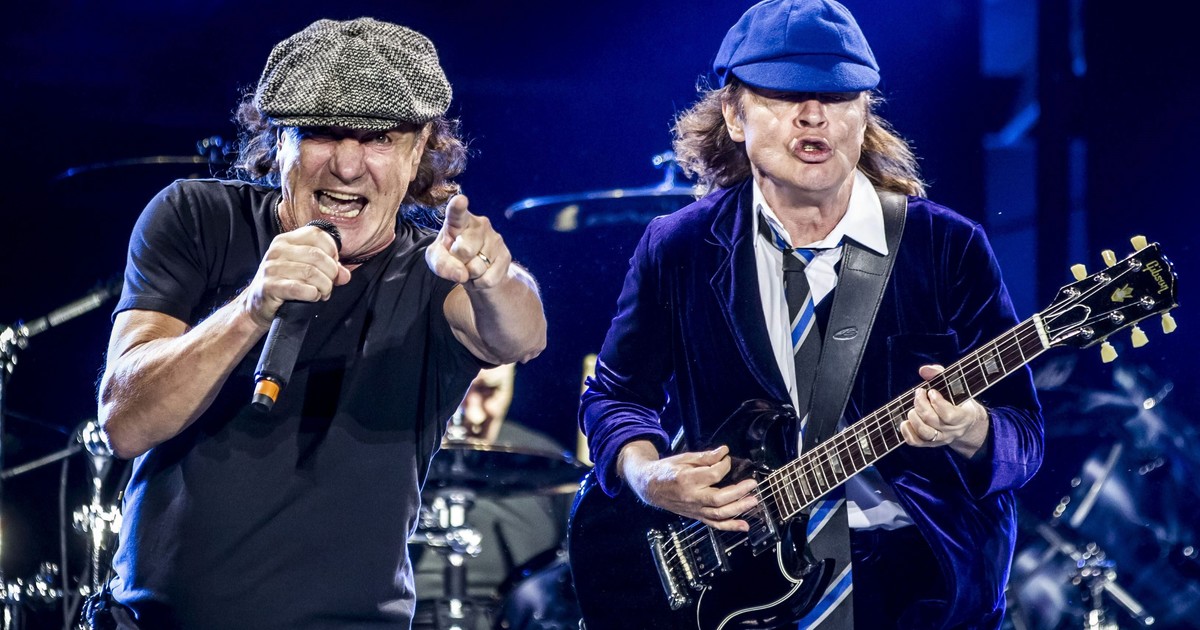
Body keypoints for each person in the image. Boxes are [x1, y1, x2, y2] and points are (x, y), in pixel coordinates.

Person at [578, 0, 1043, 628]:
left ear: (864, 113)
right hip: (737, 582)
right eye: (784, 93)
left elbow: (1024, 439)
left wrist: (970, 430)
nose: (814, 114)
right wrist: (647, 474)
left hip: (920, 587)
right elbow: (614, 396)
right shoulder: (680, 248)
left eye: (838, 95)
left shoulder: (946, 246)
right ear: (733, 114)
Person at [94, 17, 546, 630]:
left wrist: (494, 277)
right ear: (278, 139)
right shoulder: (196, 217)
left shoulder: (434, 271)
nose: (348, 166)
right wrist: (252, 307)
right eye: (323, 133)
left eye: (378, 138)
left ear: (418, 151)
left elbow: (524, 336)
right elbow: (124, 423)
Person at [411, 364, 573, 627]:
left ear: (511, 383)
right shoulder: (387, 465)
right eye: (461, 390)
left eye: (490, 390)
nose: (474, 414)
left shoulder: (547, 463)